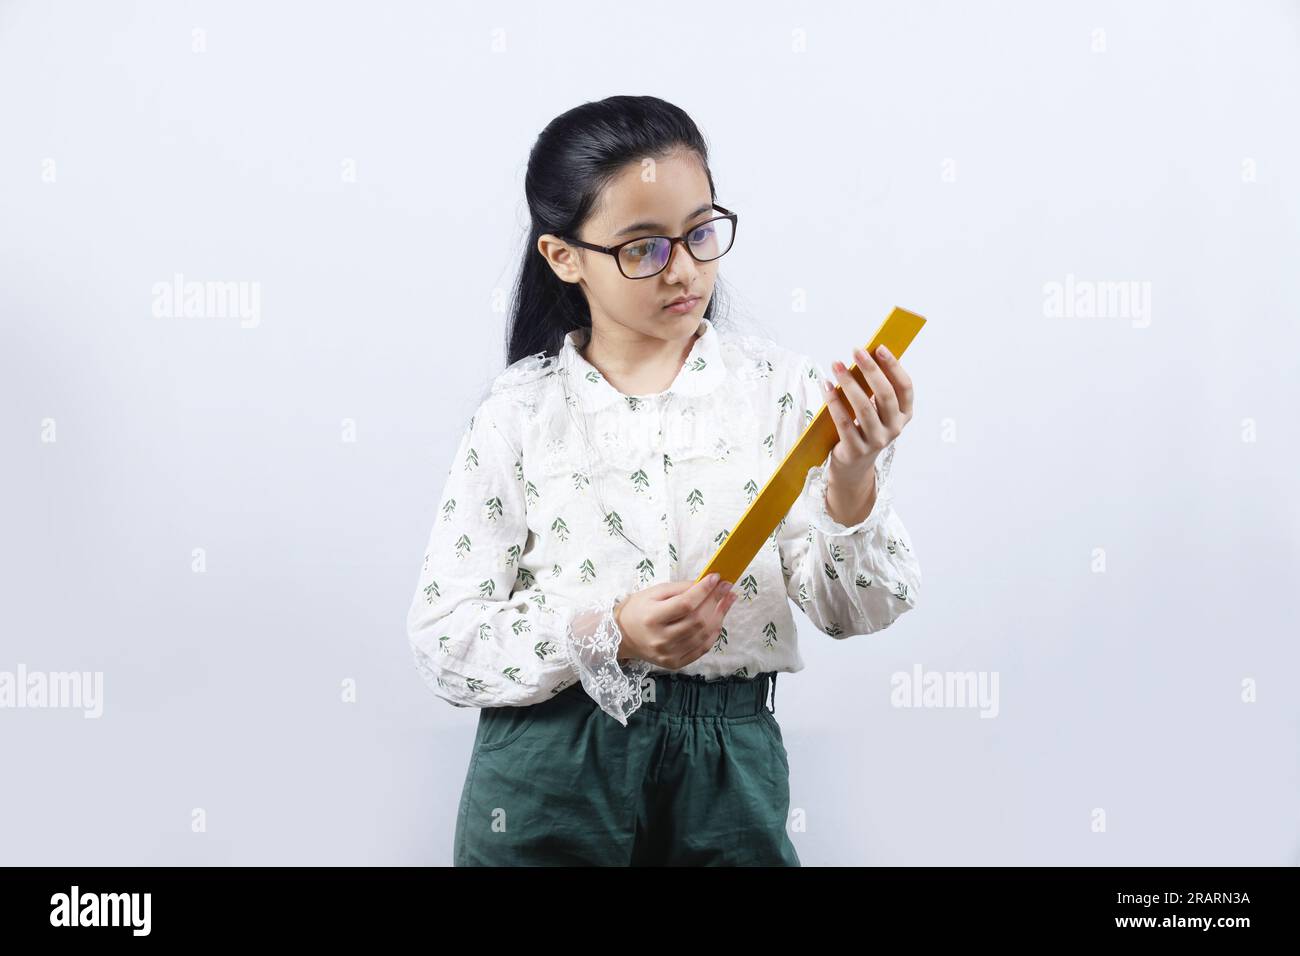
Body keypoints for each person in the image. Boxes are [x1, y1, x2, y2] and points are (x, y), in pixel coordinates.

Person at [406, 94, 921, 866]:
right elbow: (445, 640)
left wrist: (851, 478)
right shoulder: (519, 411)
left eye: (701, 233)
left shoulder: (781, 392)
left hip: (728, 767)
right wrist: (607, 631)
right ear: (563, 256)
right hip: (549, 767)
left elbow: (860, 612)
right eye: (643, 247)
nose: (683, 269)